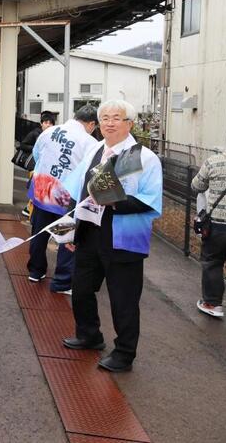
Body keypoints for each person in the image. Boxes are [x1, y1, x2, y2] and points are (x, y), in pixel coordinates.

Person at [60, 99, 162, 372]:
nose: (108, 122)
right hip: (90, 230)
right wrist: (72, 227)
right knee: (81, 288)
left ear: (129, 123)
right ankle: (89, 335)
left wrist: (113, 201)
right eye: (104, 117)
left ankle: (124, 353)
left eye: (116, 117)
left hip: (123, 236)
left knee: (123, 299)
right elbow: (79, 191)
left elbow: (151, 201)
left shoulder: (144, 157)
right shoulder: (95, 149)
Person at [26, 105, 99, 291]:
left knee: (38, 232)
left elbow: (35, 154)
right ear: (91, 124)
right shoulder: (89, 142)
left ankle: (35, 271)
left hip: (42, 189)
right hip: (67, 197)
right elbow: (90, 172)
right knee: (66, 237)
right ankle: (61, 281)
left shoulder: (49, 131)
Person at [190, 125, 226, 318]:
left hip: (218, 226)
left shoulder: (214, 161)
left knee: (213, 262)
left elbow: (196, 186)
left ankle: (212, 304)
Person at [19, 111, 57, 217]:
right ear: (41, 123)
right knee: (35, 188)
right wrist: (38, 149)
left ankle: (29, 209)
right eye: (46, 122)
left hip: (47, 168)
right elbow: (22, 145)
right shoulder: (36, 133)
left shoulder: (56, 135)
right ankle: (29, 209)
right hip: (35, 166)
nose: (48, 125)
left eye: (50, 123)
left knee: (39, 189)